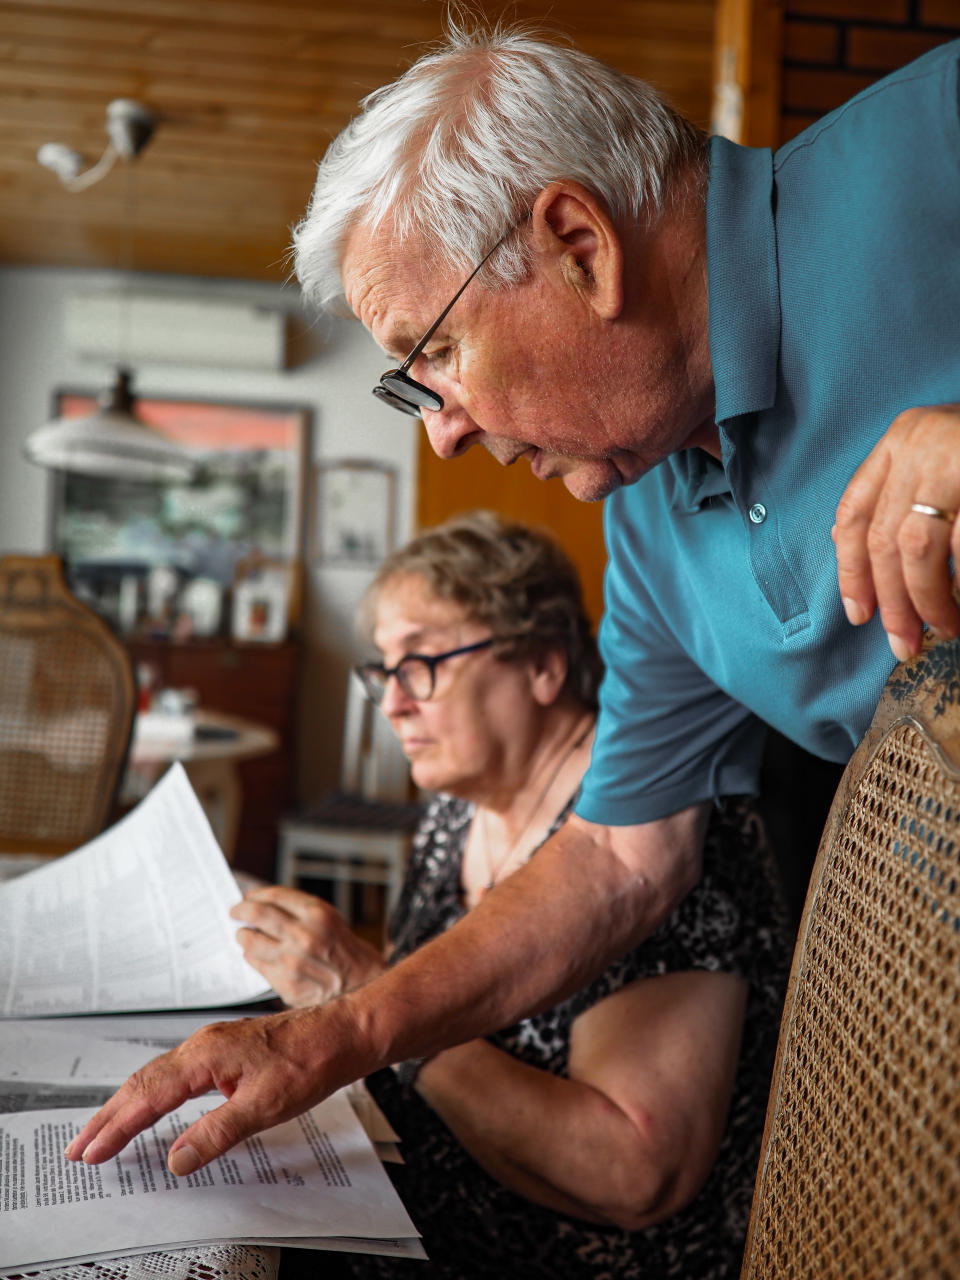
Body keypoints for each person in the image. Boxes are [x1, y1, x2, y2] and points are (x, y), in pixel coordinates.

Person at [67, 18, 960, 1178]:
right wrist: (339, 1030)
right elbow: (618, 860)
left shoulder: (931, 145)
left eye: (431, 355)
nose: (440, 433)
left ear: (580, 244)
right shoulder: (642, 518)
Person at [230, 512, 788, 1280]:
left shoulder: (663, 821)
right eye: (384, 670)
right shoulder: (455, 814)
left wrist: (366, 994)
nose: (393, 702)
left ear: (544, 666)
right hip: (410, 1213)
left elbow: (634, 1175)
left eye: (422, 661)